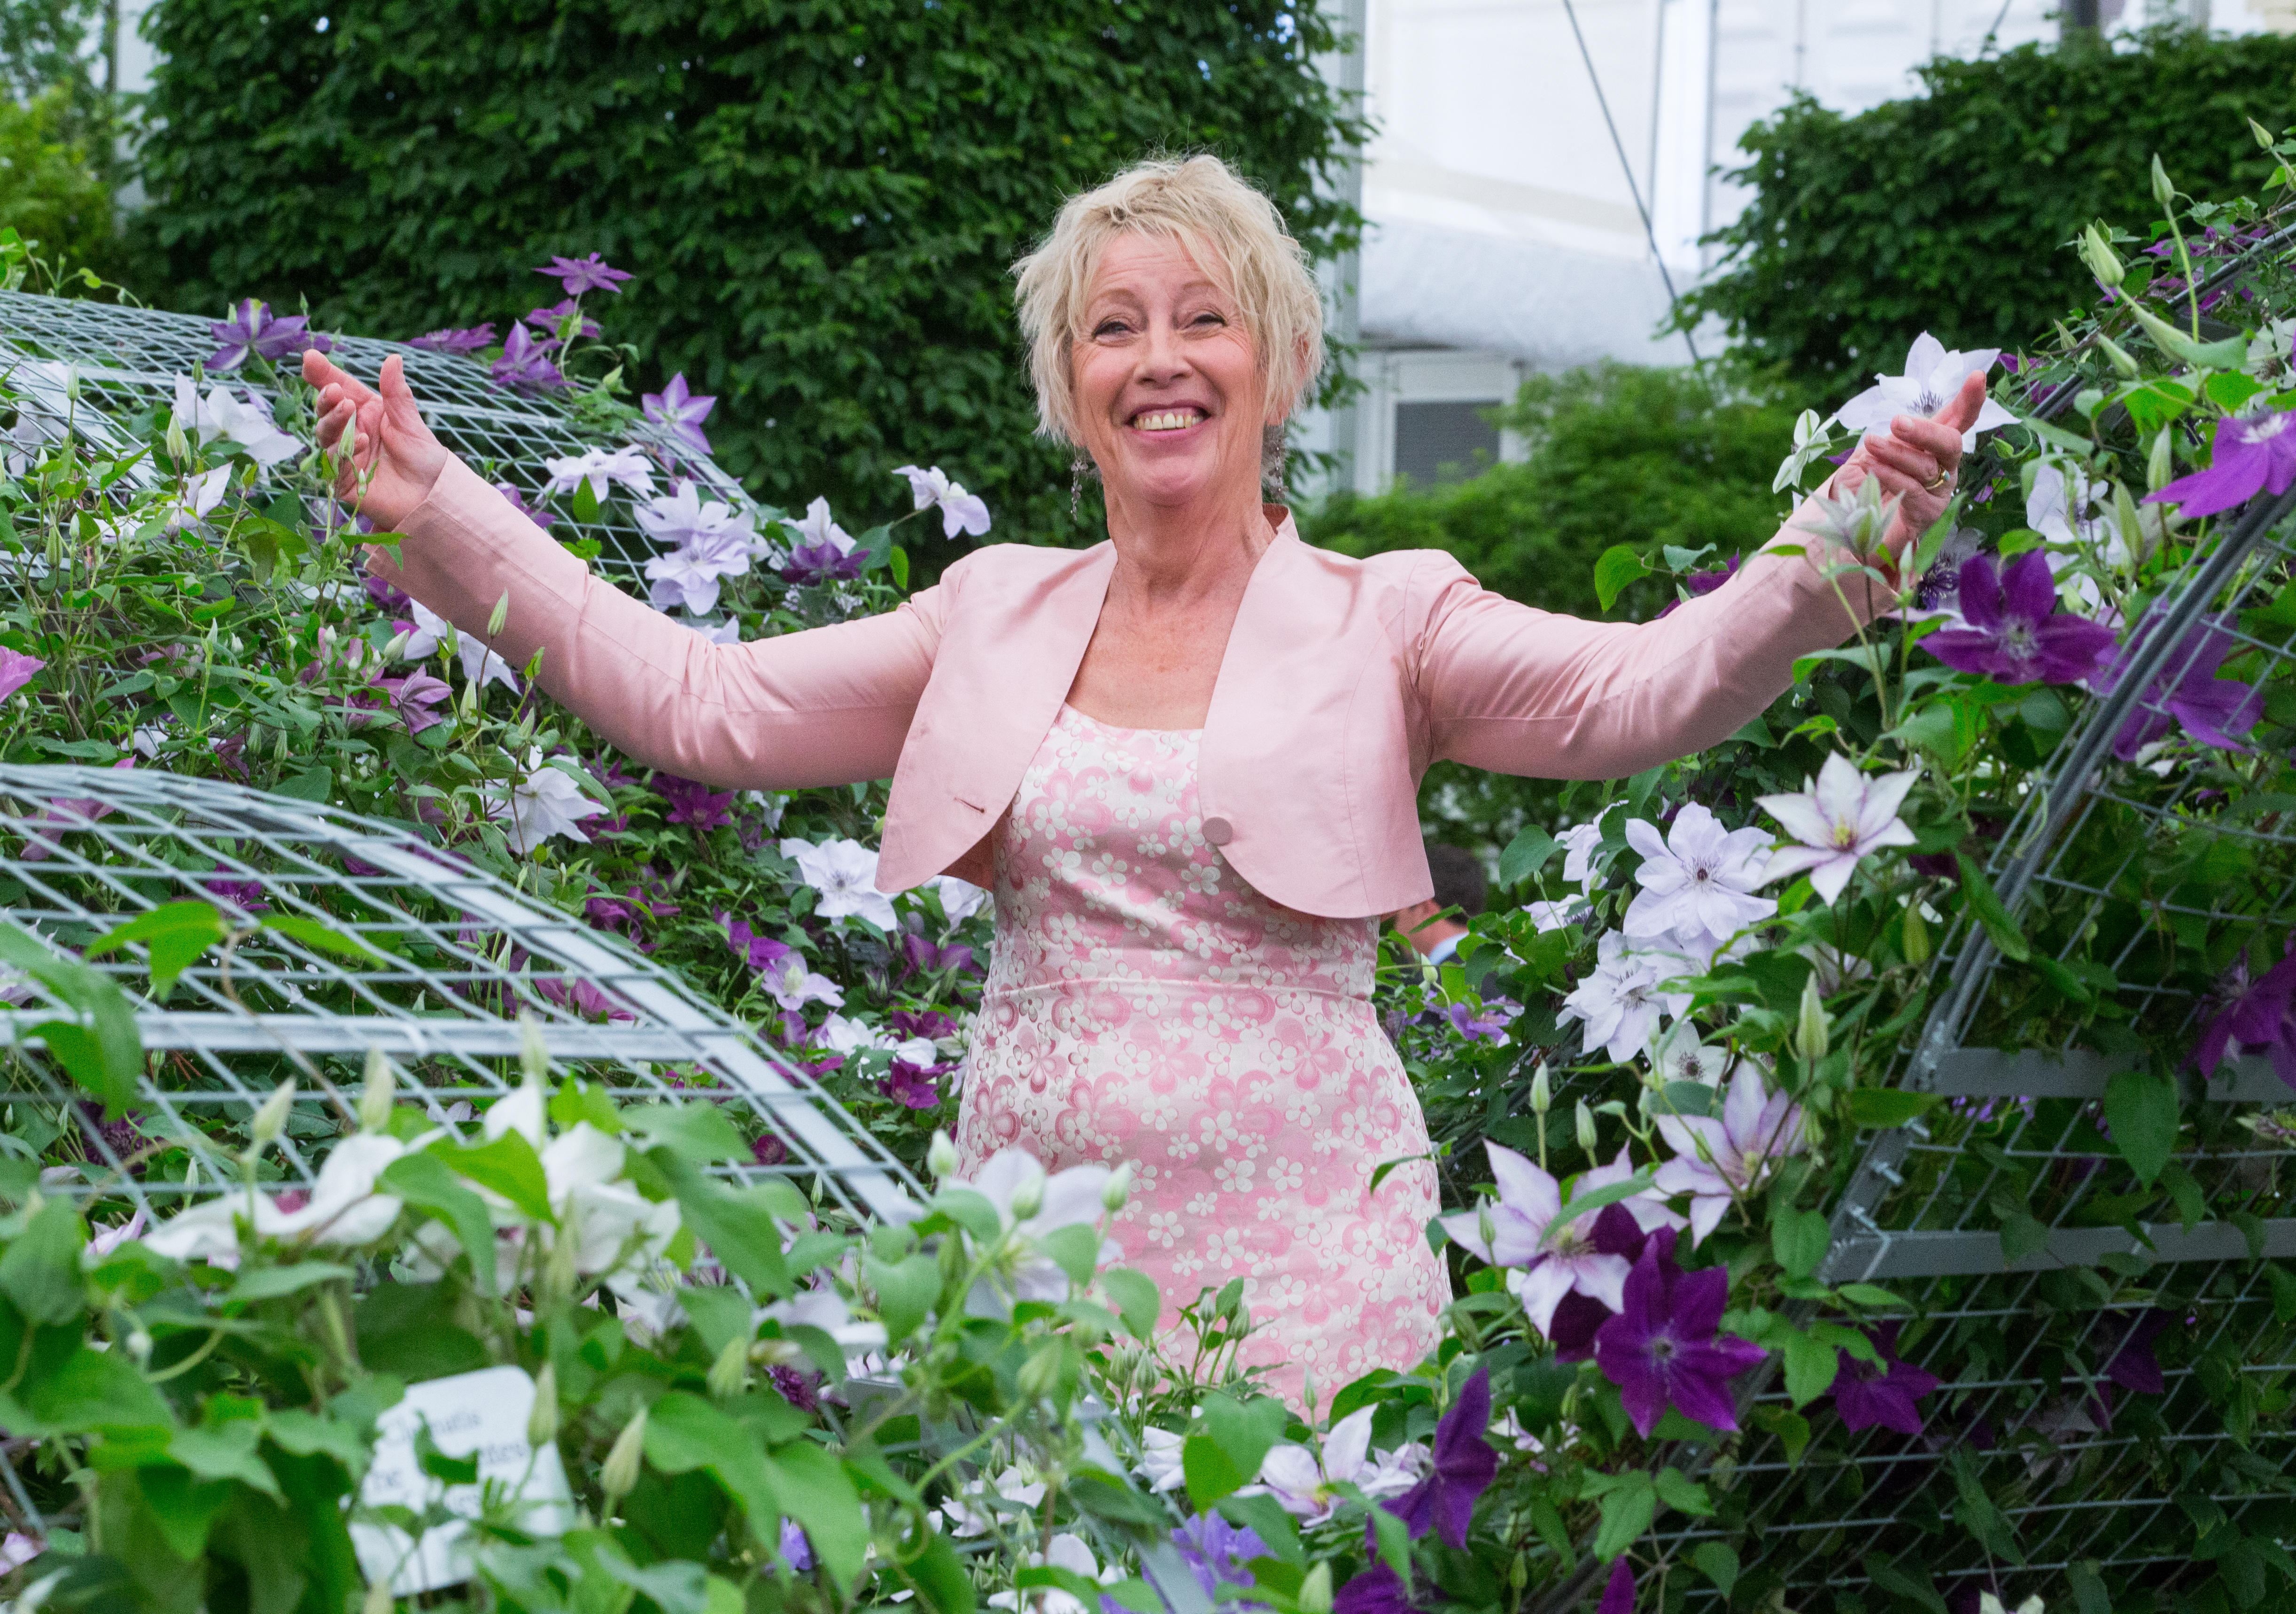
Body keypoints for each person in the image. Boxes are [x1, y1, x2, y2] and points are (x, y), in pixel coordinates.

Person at [305, 155, 1978, 1402]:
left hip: (1309, 1303)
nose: (1158, 356)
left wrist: (1832, 549)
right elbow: (700, 700)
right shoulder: (986, 613)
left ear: (1283, 359)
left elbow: (1643, 691)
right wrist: (445, 508)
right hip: (1027, 1273)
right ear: (1070, 385)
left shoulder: (1391, 617)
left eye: (1204, 318)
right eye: (1113, 328)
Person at [1391, 842, 1485, 965]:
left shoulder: (1437, 983)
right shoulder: (1513, 965)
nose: (1396, 930)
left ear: (1424, 907)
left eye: (1397, 917)